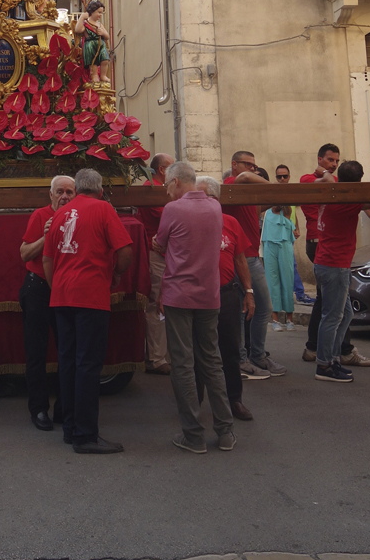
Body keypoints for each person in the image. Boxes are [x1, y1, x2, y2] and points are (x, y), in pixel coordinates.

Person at [43, 167, 133, 454]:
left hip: (62, 296)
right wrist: (115, 275)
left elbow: (47, 259)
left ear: (78, 189)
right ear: (101, 189)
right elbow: (126, 251)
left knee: (68, 362)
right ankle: (85, 435)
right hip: (91, 296)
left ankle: (70, 428)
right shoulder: (104, 210)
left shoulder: (60, 213)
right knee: (88, 365)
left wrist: (57, 284)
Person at [156, 161, 236, 453]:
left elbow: (161, 242)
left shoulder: (173, 209)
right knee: (211, 361)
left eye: (167, 184)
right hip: (209, 295)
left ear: (176, 181)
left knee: (183, 363)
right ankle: (225, 431)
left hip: (179, 294)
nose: (166, 190)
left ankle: (193, 435)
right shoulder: (215, 208)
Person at [302, 144, 370, 368]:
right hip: (333, 265)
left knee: (344, 314)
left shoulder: (332, 194)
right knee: (332, 316)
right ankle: (325, 363)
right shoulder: (347, 200)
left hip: (330, 263)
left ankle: (335, 355)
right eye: (329, 160)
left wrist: (325, 173)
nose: (333, 165)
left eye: (336, 162)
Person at [18, 174, 75, 430]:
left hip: (65, 291)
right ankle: (39, 409)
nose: (64, 196)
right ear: (50, 195)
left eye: (69, 192)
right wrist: (46, 237)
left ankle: (65, 409)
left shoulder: (77, 216)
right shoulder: (39, 216)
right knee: (37, 353)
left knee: (68, 351)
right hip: (38, 289)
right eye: (60, 191)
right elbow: (24, 253)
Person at [222, 150, 285, 380]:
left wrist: (277, 198)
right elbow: (243, 178)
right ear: (234, 164)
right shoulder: (233, 182)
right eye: (247, 164)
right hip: (243, 257)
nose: (252, 169)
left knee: (248, 309)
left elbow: (259, 208)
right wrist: (277, 187)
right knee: (260, 308)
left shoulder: (247, 192)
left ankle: (251, 357)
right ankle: (247, 358)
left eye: (254, 165)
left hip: (250, 255)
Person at [196, 176, 255, 423]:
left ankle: (235, 400)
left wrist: (249, 292)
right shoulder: (191, 222)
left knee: (230, 349)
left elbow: (240, 259)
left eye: (203, 196)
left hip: (227, 293)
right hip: (198, 295)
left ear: (215, 199)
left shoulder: (230, 222)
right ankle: (195, 403)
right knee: (197, 350)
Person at [136, 152, 173, 375]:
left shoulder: (161, 189)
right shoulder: (152, 188)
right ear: (162, 170)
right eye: (172, 167)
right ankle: (156, 358)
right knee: (156, 304)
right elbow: (168, 214)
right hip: (156, 254)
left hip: (164, 253)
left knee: (162, 304)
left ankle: (160, 353)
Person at [274, 164, 313, 304]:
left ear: (289, 177)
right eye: (279, 176)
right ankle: (299, 294)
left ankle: (291, 294)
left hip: (288, 234)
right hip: (280, 235)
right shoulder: (274, 193)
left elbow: (292, 212)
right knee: (290, 265)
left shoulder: (291, 192)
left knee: (288, 265)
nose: (282, 179)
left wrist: (296, 227)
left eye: (285, 176)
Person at [262, 205, 296, 329]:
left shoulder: (287, 210)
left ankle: (289, 318)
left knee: (287, 280)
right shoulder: (265, 211)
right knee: (272, 281)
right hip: (269, 245)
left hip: (284, 245)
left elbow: (284, 209)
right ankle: (275, 319)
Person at [75, 0, 111, 85]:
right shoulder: (86, 23)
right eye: (99, 12)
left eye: (101, 13)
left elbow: (107, 36)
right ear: (92, 11)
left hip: (101, 44)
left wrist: (102, 33)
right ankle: (94, 76)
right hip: (90, 45)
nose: (100, 15)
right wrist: (82, 17)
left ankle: (103, 75)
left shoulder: (99, 24)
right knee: (93, 62)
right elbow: (78, 30)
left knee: (105, 60)